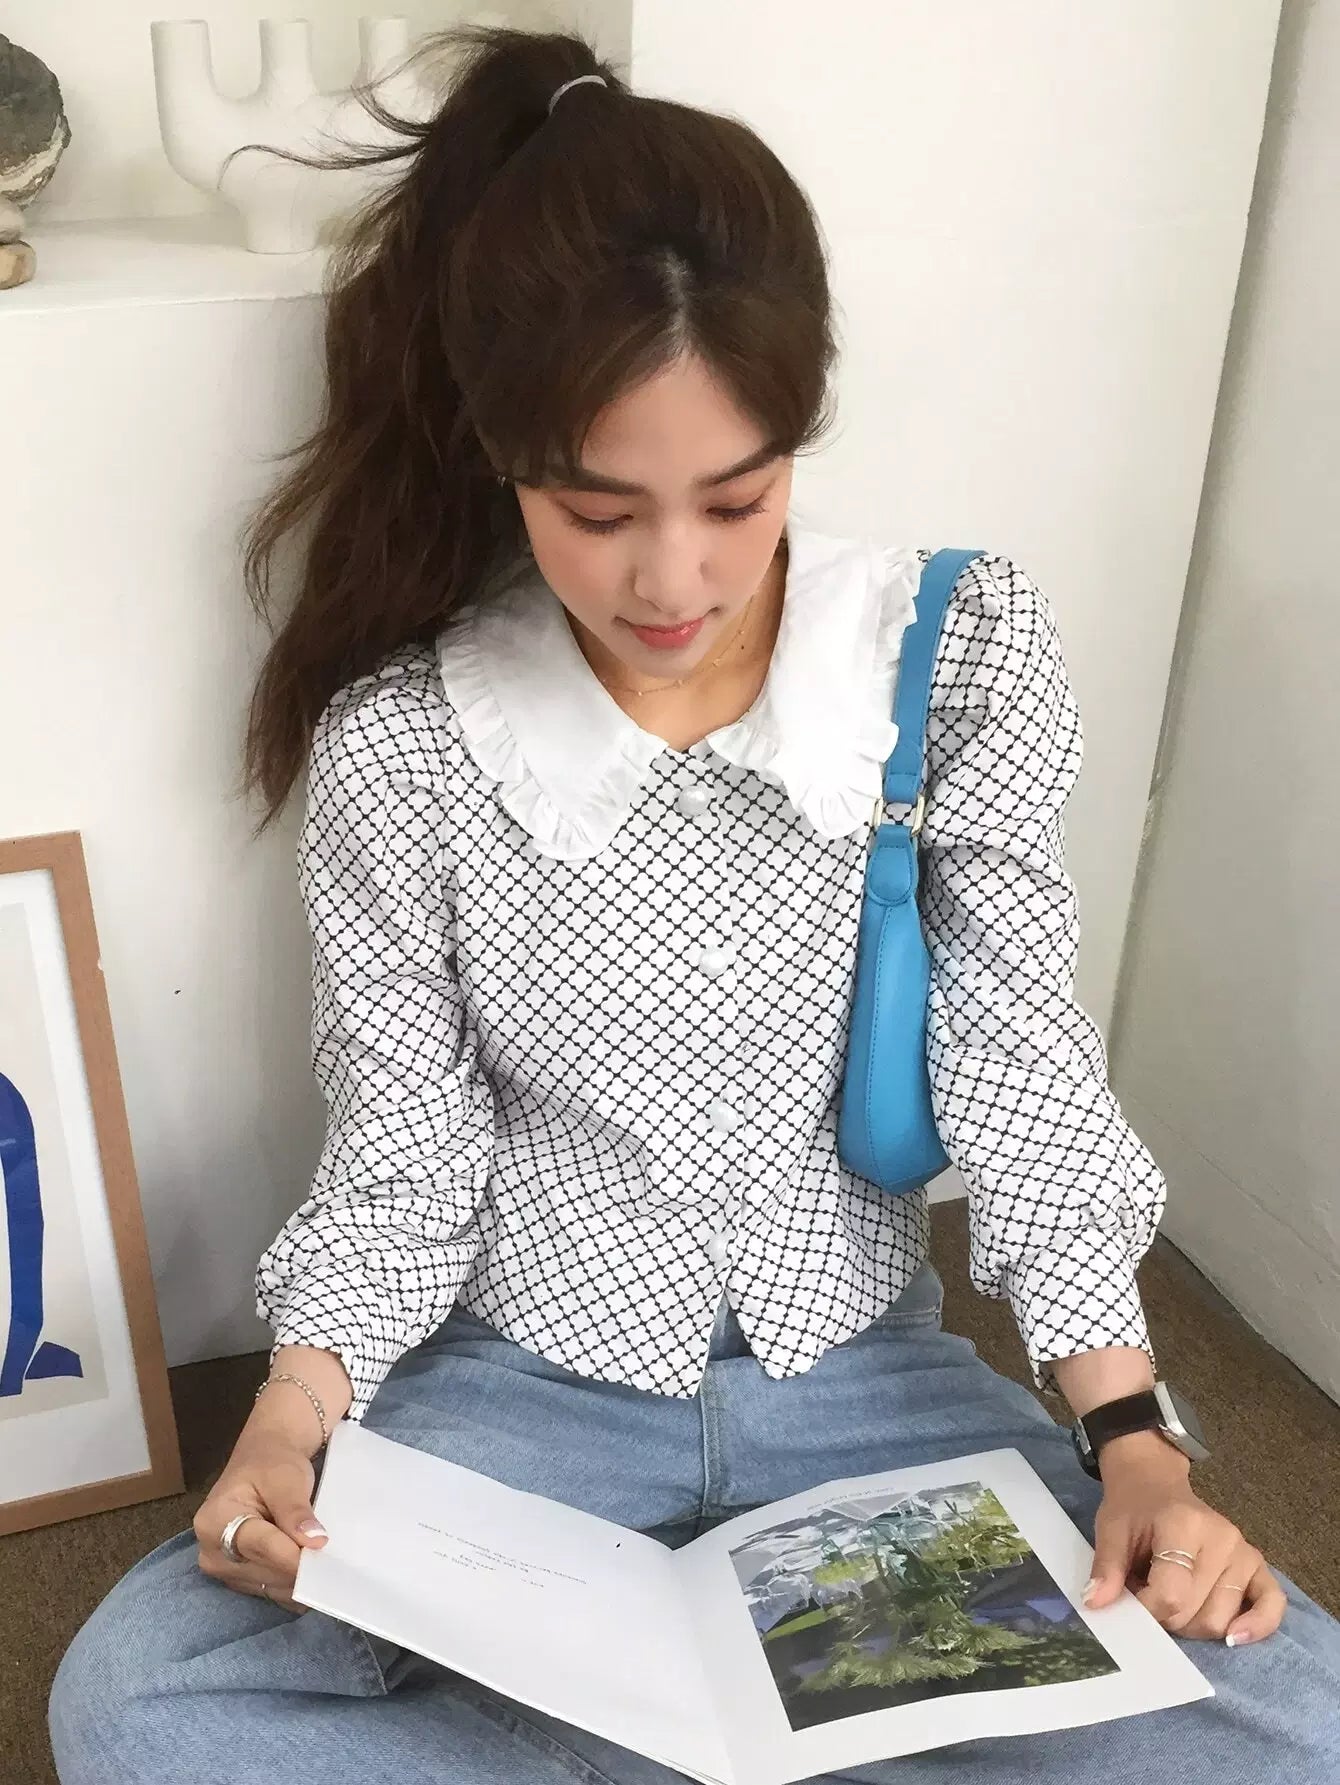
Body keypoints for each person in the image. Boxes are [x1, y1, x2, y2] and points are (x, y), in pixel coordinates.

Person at [49, 26, 1340, 1785]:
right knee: (139, 1698)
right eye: (599, 511)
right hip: (519, 1402)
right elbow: (404, 1152)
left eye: (737, 498)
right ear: (507, 456)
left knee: (1295, 1723)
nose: (676, 576)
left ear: (799, 432)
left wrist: (1137, 1443)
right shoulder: (411, 744)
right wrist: (288, 1417)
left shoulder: (952, 658)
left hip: (873, 1398)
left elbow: (1023, 1067)